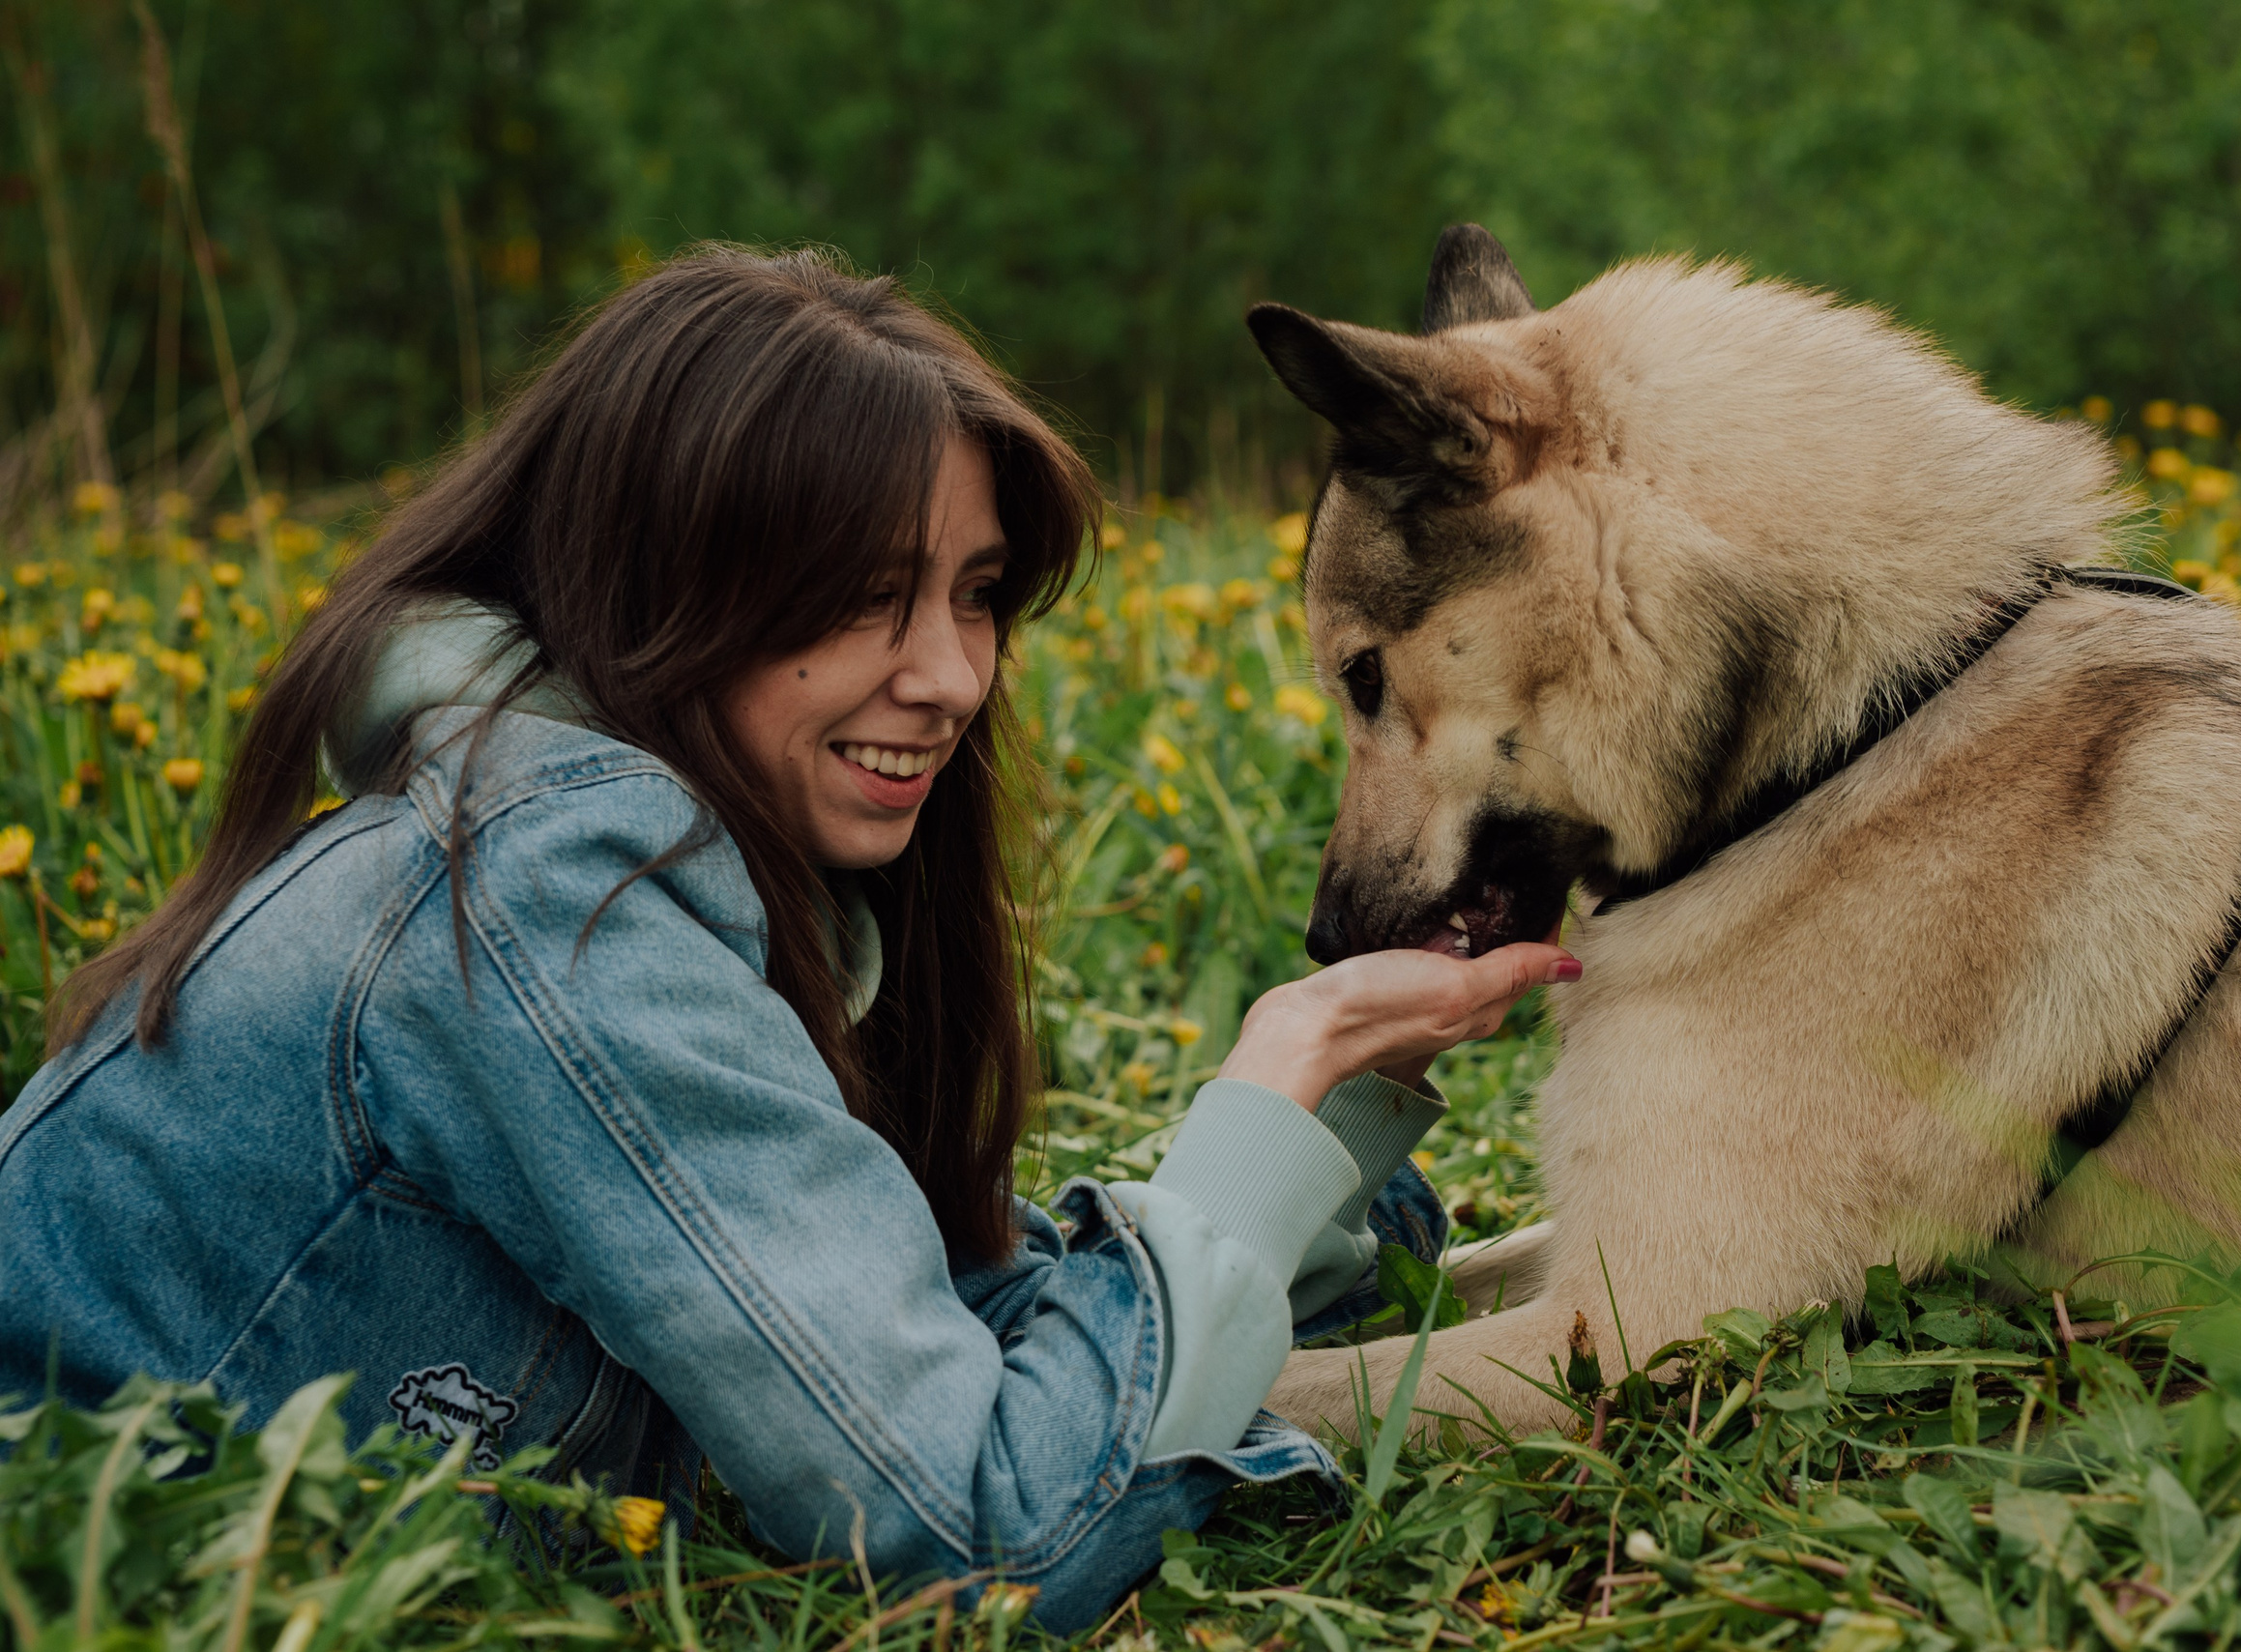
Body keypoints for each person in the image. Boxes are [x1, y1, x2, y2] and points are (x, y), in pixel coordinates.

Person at [0, 247, 1574, 1630]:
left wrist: (1335, 1103)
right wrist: (1266, 1080)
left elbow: (962, 1333)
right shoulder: (544, 898)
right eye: (864, 595)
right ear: (658, 578)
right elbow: (989, 1532)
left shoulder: (692, 878)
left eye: (973, 594)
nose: (954, 675)